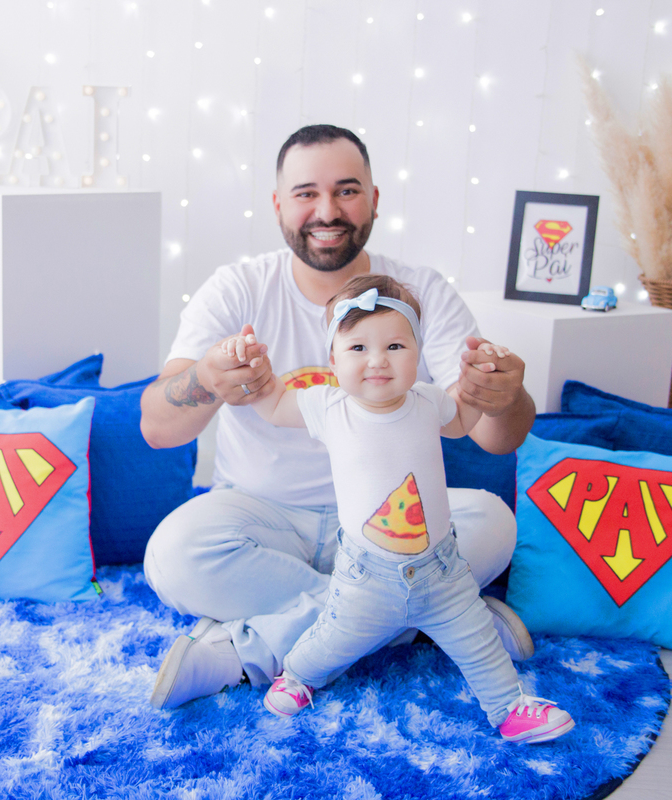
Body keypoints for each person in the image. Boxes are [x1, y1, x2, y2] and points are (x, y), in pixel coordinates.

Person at [140, 124, 538, 711]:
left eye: (347, 191)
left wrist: (504, 393)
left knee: (493, 523)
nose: (327, 211)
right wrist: (205, 378)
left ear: (374, 198)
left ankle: (248, 652)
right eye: (306, 193)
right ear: (278, 204)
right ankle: (445, 619)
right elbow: (156, 427)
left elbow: (494, 435)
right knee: (173, 554)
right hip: (266, 521)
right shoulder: (237, 289)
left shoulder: (422, 292)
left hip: (395, 527)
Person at [224, 275, 572, 743]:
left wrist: (477, 382)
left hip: (441, 571)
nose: (377, 360)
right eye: (357, 348)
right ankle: (298, 676)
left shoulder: (428, 399)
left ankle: (509, 709)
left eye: (394, 346)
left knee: (480, 644)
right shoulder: (328, 406)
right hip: (365, 575)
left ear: (418, 352)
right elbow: (272, 404)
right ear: (333, 360)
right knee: (331, 640)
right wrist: (255, 369)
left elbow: (462, 420)